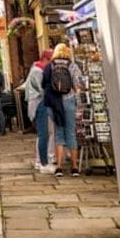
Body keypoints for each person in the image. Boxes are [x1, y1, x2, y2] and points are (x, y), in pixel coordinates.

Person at [43, 43, 84, 177]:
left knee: (58, 133)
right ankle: (74, 167)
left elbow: (44, 84)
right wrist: (78, 100)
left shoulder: (50, 66)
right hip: (69, 101)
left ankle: (59, 167)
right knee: (71, 133)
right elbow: (78, 85)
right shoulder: (72, 66)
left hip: (55, 103)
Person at [22, 49, 55, 172]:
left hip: (39, 102)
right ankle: (42, 163)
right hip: (39, 103)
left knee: (45, 133)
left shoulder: (37, 68)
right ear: (47, 59)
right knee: (43, 134)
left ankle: (42, 160)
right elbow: (43, 89)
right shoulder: (38, 71)